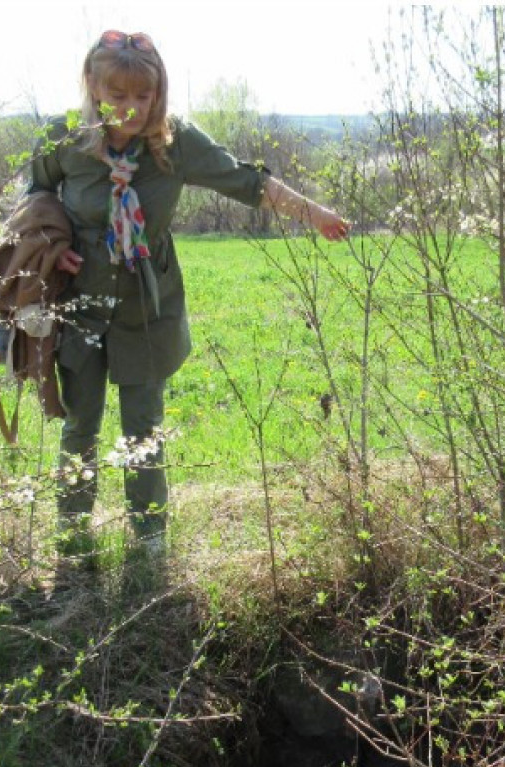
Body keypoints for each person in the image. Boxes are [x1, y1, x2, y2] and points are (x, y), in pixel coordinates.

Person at [27, 29, 349, 572]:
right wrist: (52, 248)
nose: (130, 109)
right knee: (79, 423)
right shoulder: (64, 139)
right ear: (91, 87)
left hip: (147, 309)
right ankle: (73, 540)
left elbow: (245, 180)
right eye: (117, 95)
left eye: (142, 96)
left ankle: (149, 546)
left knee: (143, 429)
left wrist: (312, 213)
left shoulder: (175, 144)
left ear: (159, 95)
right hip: (80, 304)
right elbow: (34, 198)